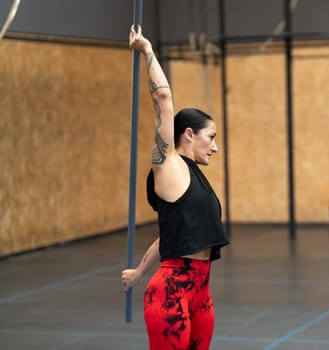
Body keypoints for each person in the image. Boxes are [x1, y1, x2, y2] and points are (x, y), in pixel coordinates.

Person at [121, 25, 230, 350]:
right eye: (210, 137)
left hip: (201, 291)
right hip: (171, 293)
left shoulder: (194, 177)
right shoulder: (168, 166)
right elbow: (164, 100)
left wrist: (138, 272)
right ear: (187, 134)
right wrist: (147, 50)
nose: (214, 147)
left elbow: (171, 235)